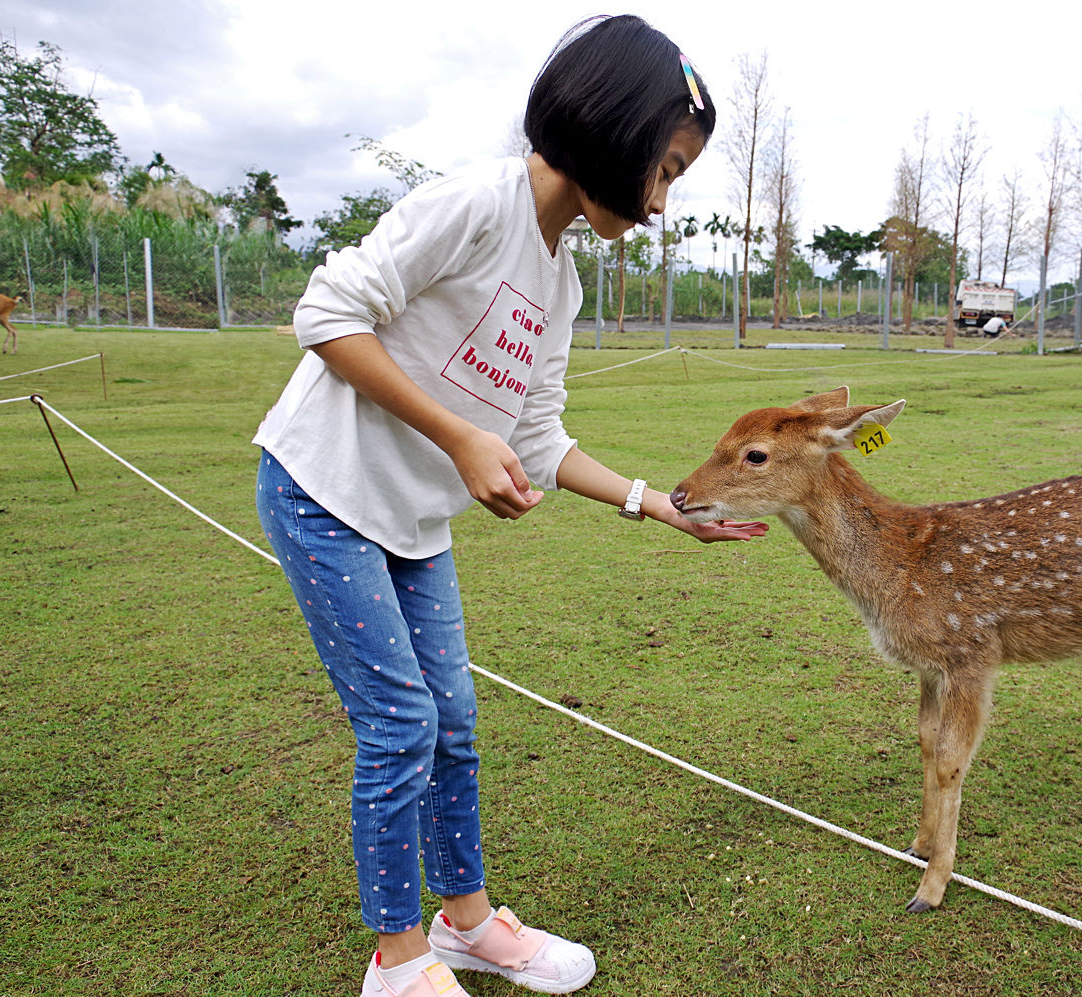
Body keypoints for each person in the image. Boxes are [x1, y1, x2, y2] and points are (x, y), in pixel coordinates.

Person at [252, 16, 766, 997]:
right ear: (610, 128)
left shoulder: (560, 280)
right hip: (323, 492)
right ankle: (396, 963)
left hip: (409, 520)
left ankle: (466, 923)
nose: (659, 203)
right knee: (401, 724)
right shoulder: (475, 206)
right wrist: (456, 434)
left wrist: (655, 503)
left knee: (455, 722)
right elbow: (325, 312)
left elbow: (535, 437)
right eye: (662, 169)